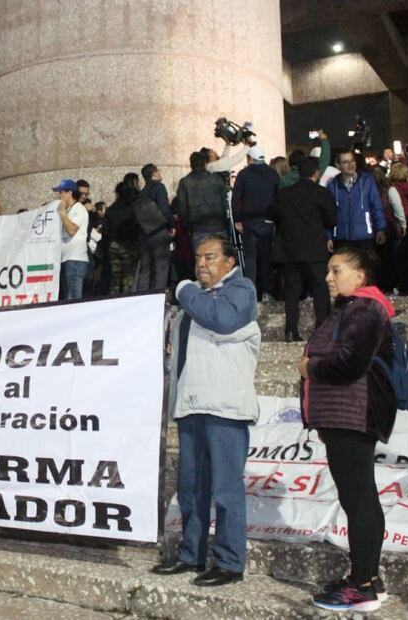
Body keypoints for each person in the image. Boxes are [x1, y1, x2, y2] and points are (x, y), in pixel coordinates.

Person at [153, 234, 259, 587]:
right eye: (198, 258)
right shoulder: (193, 303)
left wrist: (183, 288)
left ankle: (230, 563)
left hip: (225, 408)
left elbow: (221, 319)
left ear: (229, 262)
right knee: (191, 488)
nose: (201, 264)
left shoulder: (240, 290)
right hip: (191, 405)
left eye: (210, 257)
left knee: (226, 490)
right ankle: (191, 554)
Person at [298, 246, 395, 612]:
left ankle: (363, 585)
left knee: (359, 500)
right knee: (359, 498)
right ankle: (368, 577)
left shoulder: (365, 308)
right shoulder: (353, 309)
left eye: (336, 270)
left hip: (352, 415)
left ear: (360, 276)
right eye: (328, 270)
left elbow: (351, 362)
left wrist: (310, 368)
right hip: (343, 416)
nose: (328, 278)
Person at [268, 157, 337, 341]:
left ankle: (291, 330)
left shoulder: (284, 193)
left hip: (289, 251)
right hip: (315, 251)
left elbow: (272, 214)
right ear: (316, 172)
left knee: (292, 292)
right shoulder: (321, 193)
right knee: (320, 292)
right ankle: (321, 332)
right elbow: (332, 220)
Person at [233, 145, 281, 300]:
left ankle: (251, 292)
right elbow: (278, 198)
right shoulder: (273, 174)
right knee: (266, 259)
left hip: (249, 222)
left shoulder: (244, 174)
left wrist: (237, 219)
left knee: (251, 259)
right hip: (268, 222)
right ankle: (267, 291)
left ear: (250, 158)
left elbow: (236, 198)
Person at [327, 150, 387, 253]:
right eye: (345, 162)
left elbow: (376, 205)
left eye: (352, 160)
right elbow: (328, 213)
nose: (350, 165)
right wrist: (329, 236)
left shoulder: (367, 181)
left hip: (364, 236)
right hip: (341, 238)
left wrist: (380, 228)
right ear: (338, 165)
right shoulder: (332, 185)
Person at [175, 151, 230, 251]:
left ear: (191, 165)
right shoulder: (216, 179)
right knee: (220, 259)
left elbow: (182, 209)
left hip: (197, 228)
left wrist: (188, 225)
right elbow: (224, 204)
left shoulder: (185, 182)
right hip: (218, 225)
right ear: (205, 163)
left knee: (202, 261)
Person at [134, 163, 174, 293]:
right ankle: (159, 296)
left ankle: (143, 295)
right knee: (161, 267)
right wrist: (171, 225)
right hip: (158, 232)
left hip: (144, 233)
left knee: (146, 268)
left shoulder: (142, 192)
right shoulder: (159, 187)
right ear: (154, 173)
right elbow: (164, 208)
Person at [54, 179, 89, 300]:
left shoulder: (78, 208)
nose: (59, 195)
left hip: (75, 259)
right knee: (68, 298)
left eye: (61, 192)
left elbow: (71, 230)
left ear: (70, 193)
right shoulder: (68, 209)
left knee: (73, 299)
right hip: (66, 259)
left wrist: (62, 213)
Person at [387, 163, 408, 293]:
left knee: (401, 259)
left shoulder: (394, 189)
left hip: (403, 228)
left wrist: (403, 224)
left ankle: (404, 287)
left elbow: (397, 207)